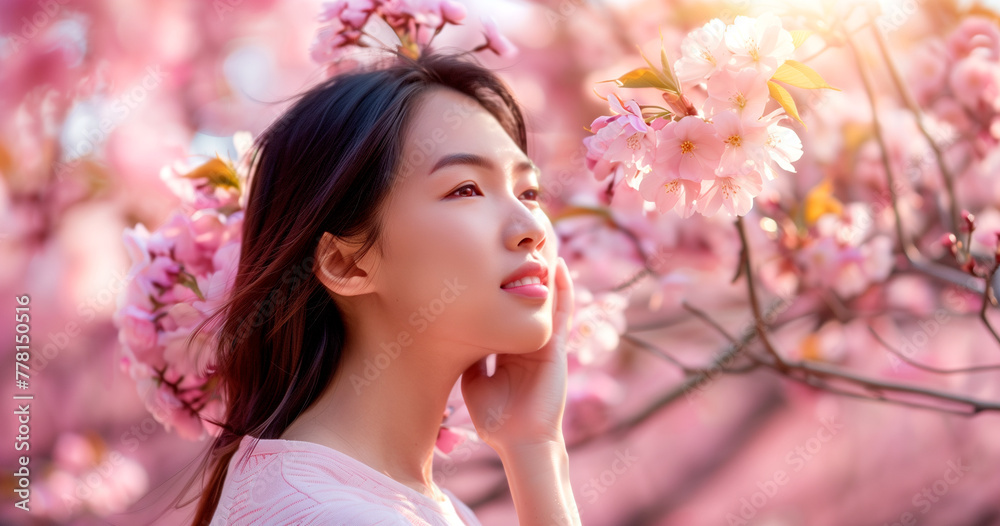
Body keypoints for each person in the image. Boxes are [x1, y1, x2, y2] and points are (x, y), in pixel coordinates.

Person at [185, 50, 582, 526]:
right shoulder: (331, 514)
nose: (531, 228)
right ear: (347, 262)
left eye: (529, 192)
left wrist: (534, 445)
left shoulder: (420, 508)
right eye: (466, 188)